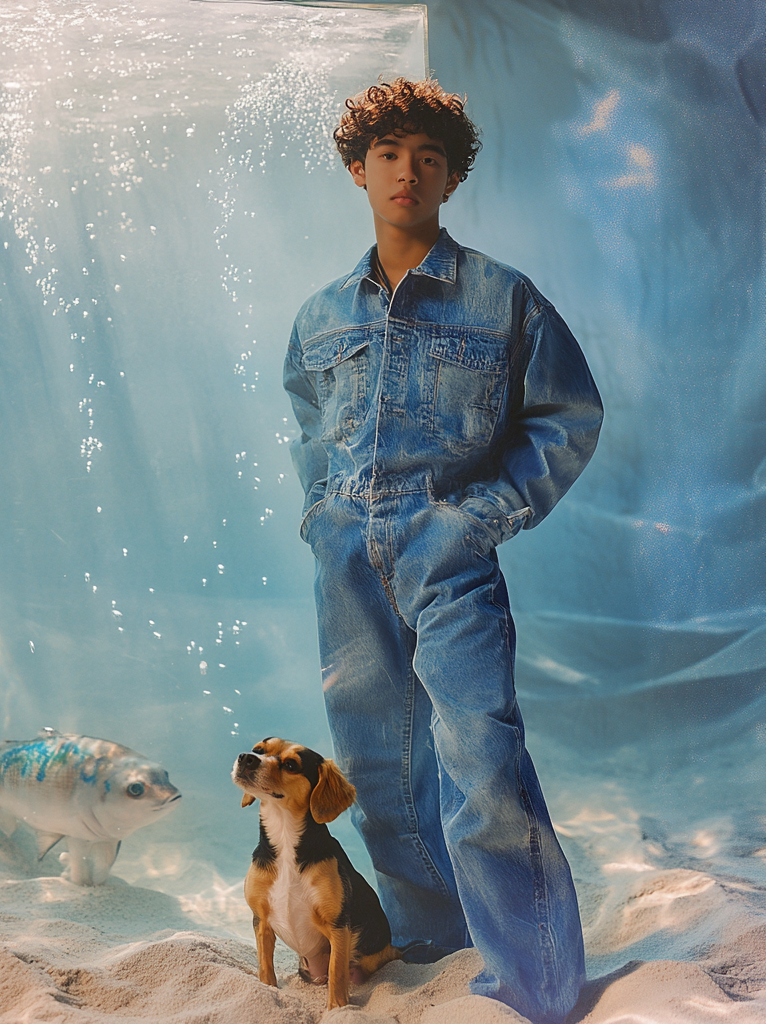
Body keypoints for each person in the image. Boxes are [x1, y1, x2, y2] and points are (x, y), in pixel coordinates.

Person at [282, 77, 603, 1024]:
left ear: (451, 177)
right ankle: (432, 939)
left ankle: (537, 986)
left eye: (428, 158)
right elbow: (308, 421)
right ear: (358, 170)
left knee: (480, 756)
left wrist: (482, 517)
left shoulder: (504, 299)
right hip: (346, 553)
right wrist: (319, 512)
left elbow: (567, 419)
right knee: (376, 760)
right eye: (388, 155)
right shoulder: (321, 315)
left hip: (446, 544)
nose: (407, 173)